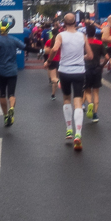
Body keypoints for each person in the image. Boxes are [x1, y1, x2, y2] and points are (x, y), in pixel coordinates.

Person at [48, 13, 92, 150]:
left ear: (64, 23)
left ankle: (69, 129)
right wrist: (80, 56)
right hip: (79, 71)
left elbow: (55, 49)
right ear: (75, 22)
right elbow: (90, 56)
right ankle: (78, 134)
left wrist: (49, 60)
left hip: (65, 71)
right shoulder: (82, 36)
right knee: (78, 101)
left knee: (66, 99)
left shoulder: (61, 35)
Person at [0, 21, 25, 127]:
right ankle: (11, 107)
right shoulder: (14, 40)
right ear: (8, 29)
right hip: (12, 71)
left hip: (2, 71)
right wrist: (41, 51)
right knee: (11, 94)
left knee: (2, 93)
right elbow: (26, 48)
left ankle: (5, 116)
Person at [82, 23, 106, 123]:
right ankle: (95, 115)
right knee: (96, 92)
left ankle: (89, 103)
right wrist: (102, 66)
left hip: (86, 68)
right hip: (97, 68)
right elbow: (107, 57)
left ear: (86, 33)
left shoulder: (84, 43)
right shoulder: (100, 43)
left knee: (87, 90)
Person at [44, 27, 61, 99]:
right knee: (56, 77)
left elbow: (45, 51)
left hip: (52, 60)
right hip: (60, 60)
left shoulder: (49, 41)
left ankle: (59, 81)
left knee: (53, 78)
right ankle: (53, 94)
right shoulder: (61, 42)